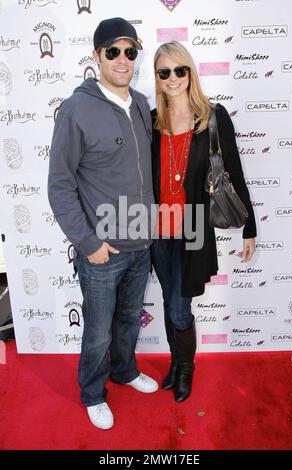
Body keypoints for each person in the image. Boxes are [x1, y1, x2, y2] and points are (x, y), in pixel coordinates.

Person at [48, 17, 158, 430]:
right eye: (113, 51)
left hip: (141, 244)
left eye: (130, 51)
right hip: (101, 251)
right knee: (97, 330)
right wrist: (86, 240)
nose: (123, 59)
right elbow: (59, 184)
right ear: (96, 57)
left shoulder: (143, 104)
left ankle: (124, 370)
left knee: (129, 319)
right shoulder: (77, 109)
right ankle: (93, 392)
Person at [150, 41, 257, 402]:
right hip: (156, 228)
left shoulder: (213, 116)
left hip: (194, 226)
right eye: (164, 72)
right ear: (157, 77)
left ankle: (186, 369)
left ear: (190, 71)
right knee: (168, 300)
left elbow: (235, 174)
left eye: (180, 70)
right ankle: (175, 364)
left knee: (180, 306)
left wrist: (250, 226)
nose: (173, 78)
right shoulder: (152, 121)